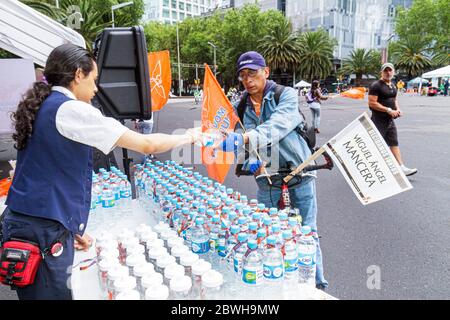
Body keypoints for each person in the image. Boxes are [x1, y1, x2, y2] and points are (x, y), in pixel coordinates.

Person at [0, 44, 203, 300]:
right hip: (39, 232)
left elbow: (45, 169)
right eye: (93, 80)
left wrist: (69, 229)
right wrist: (189, 136)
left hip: (31, 224)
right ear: (77, 75)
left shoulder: (44, 105)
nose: (95, 89)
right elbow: (147, 144)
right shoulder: (70, 109)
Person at [217, 51, 328, 290]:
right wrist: (248, 160)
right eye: (243, 75)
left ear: (265, 72)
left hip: (300, 172)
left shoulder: (285, 95)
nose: (248, 80)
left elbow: (278, 125)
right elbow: (241, 141)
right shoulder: (241, 105)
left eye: (253, 73)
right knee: (265, 231)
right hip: (266, 179)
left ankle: (317, 284)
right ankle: (271, 284)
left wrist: (244, 139)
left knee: (306, 231)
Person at [368, 62, 417, 176]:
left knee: (394, 143)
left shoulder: (393, 85)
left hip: (389, 120)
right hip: (378, 121)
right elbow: (372, 104)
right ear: (382, 72)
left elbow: (394, 100)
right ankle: (370, 169)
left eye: (390, 70)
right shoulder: (376, 85)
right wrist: (389, 110)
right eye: (386, 70)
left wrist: (398, 109)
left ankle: (401, 167)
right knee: (374, 145)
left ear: (393, 72)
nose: (388, 72)